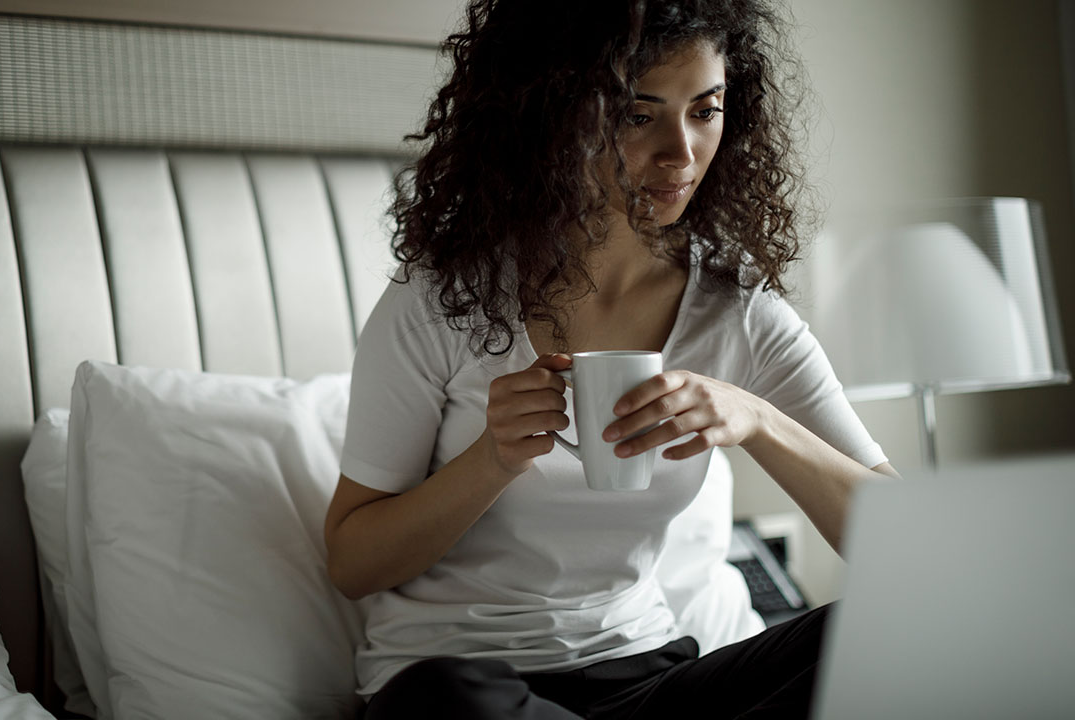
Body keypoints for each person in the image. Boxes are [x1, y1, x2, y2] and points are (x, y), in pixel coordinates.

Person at [325, 0, 901, 717]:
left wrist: (757, 420)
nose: (681, 152)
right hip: (464, 683)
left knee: (879, 632)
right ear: (552, 119)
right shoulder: (442, 301)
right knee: (446, 699)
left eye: (705, 110)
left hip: (645, 678)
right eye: (638, 115)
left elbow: (906, 552)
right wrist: (492, 460)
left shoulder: (739, 314)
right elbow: (353, 564)